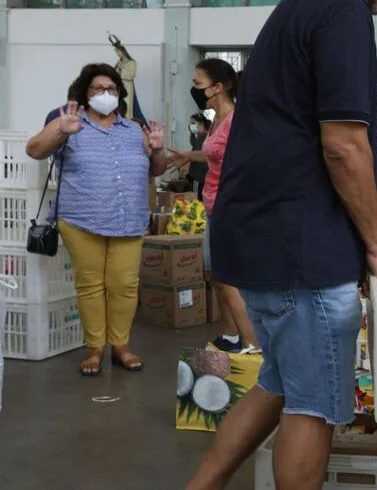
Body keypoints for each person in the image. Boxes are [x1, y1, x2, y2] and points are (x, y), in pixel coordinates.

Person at [185, 0, 377, 489]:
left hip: (262, 235)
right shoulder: (342, 11)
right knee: (315, 403)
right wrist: (376, 246)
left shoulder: (299, 4)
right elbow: (344, 145)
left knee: (278, 383)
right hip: (302, 246)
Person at [25, 63, 167, 376]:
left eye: (112, 89)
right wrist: (61, 131)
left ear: (120, 94)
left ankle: (120, 345)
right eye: (98, 89)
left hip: (128, 220)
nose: (106, 93)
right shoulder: (69, 122)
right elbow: (34, 150)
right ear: (85, 94)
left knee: (125, 286)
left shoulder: (134, 130)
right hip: (80, 219)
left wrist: (158, 151)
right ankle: (94, 349)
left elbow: (157, 169)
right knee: (90, 285)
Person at [165, 58, 258, 353]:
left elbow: (245, 163)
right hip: (213, 206)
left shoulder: (236, 120)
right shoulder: (216, 119)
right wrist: (188, 157)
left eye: (197, 83)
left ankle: (253, 346)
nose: (193, 89)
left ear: (218, 87)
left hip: (230, 208)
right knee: (216, 276)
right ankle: (230, 335)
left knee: (228, 278)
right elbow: (214, 153)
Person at [187, 113, 210, 200]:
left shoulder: (202, 136)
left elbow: (194, 155)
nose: (190, 126)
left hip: (199, 176)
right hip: (202, 176)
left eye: (193, 123)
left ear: (201, 124)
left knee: (197, 201)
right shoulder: (204, 136)